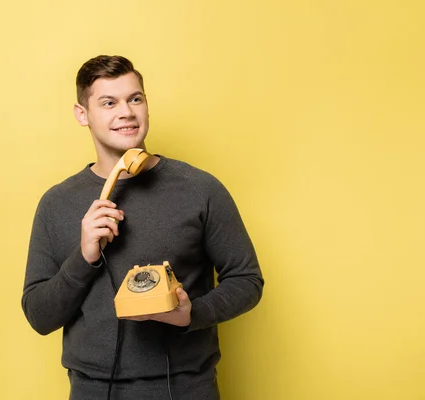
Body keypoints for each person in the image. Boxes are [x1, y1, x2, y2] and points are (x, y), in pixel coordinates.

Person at [21, 55, 264, 400]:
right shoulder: (56, 203)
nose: (126, 113)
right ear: (82, 114)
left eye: (135, 99)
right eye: (108, 103)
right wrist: (85, 257)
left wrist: (191, 314)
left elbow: (247, 280)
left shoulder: (199, 188)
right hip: (92, 390)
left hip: (186, 388)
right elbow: (39, 316)